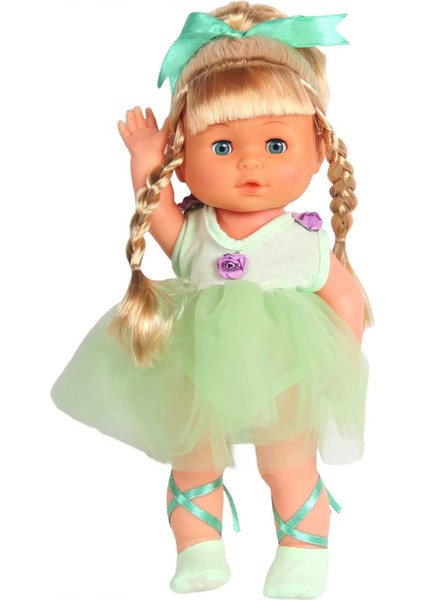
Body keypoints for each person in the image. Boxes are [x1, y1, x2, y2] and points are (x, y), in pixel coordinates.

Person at [52, 2, 370, 597]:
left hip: (285, 370)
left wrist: (338, 362)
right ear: (183, 157)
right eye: (221, 147)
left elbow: (346, 298)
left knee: (288, 461)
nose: (250, 162)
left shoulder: (302, 242)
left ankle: (303, 551)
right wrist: (144, 162)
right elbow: (160, 218)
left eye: (275, 143)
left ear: (318, 150)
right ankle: (199, 548)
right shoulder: (196, 231)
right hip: (195, 365)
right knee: (193, 454)